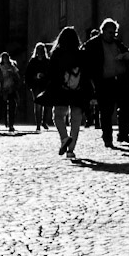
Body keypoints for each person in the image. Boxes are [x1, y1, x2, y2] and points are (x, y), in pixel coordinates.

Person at [87, 17, 129, 146]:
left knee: (126, 107)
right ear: (102, 31)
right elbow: (86, 62)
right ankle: (107, 138)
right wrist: (93, 80)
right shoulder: (93, 44)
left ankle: (124, 134)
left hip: (121, 80)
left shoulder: (117, 43)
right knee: (106, 111)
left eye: (114, 32)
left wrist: (127, 55)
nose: (112, 35)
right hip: (105, 82)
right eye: (110, 32)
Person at [46, 26, 89, 158]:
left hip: (61, 90)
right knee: (76, 119)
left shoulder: (57, 54)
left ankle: (64, 138)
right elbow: (86, 74)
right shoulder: (81, 53)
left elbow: (52, 74)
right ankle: (70, 150)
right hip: (77, 91)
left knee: (58, 116)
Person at [25, 42, 52, 129]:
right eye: (38, 49)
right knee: (38, 106)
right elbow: (28, 74)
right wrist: (33, 79)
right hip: (36, 85)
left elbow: (51, 73)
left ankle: (44, 122)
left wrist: (45, 76)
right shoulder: (32, 62)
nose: (40, 51)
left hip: (45, 85)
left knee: (47, 105)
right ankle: (38, 124)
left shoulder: (47, 62)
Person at [0, 52, 20, 131]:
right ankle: (1, 121)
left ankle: (11, 124)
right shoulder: (0, 67)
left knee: (12, 107)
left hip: (11, 88)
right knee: (2, 107)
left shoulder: (12, 66)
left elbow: (18, 77)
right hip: (3, 88)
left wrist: (12, 74)